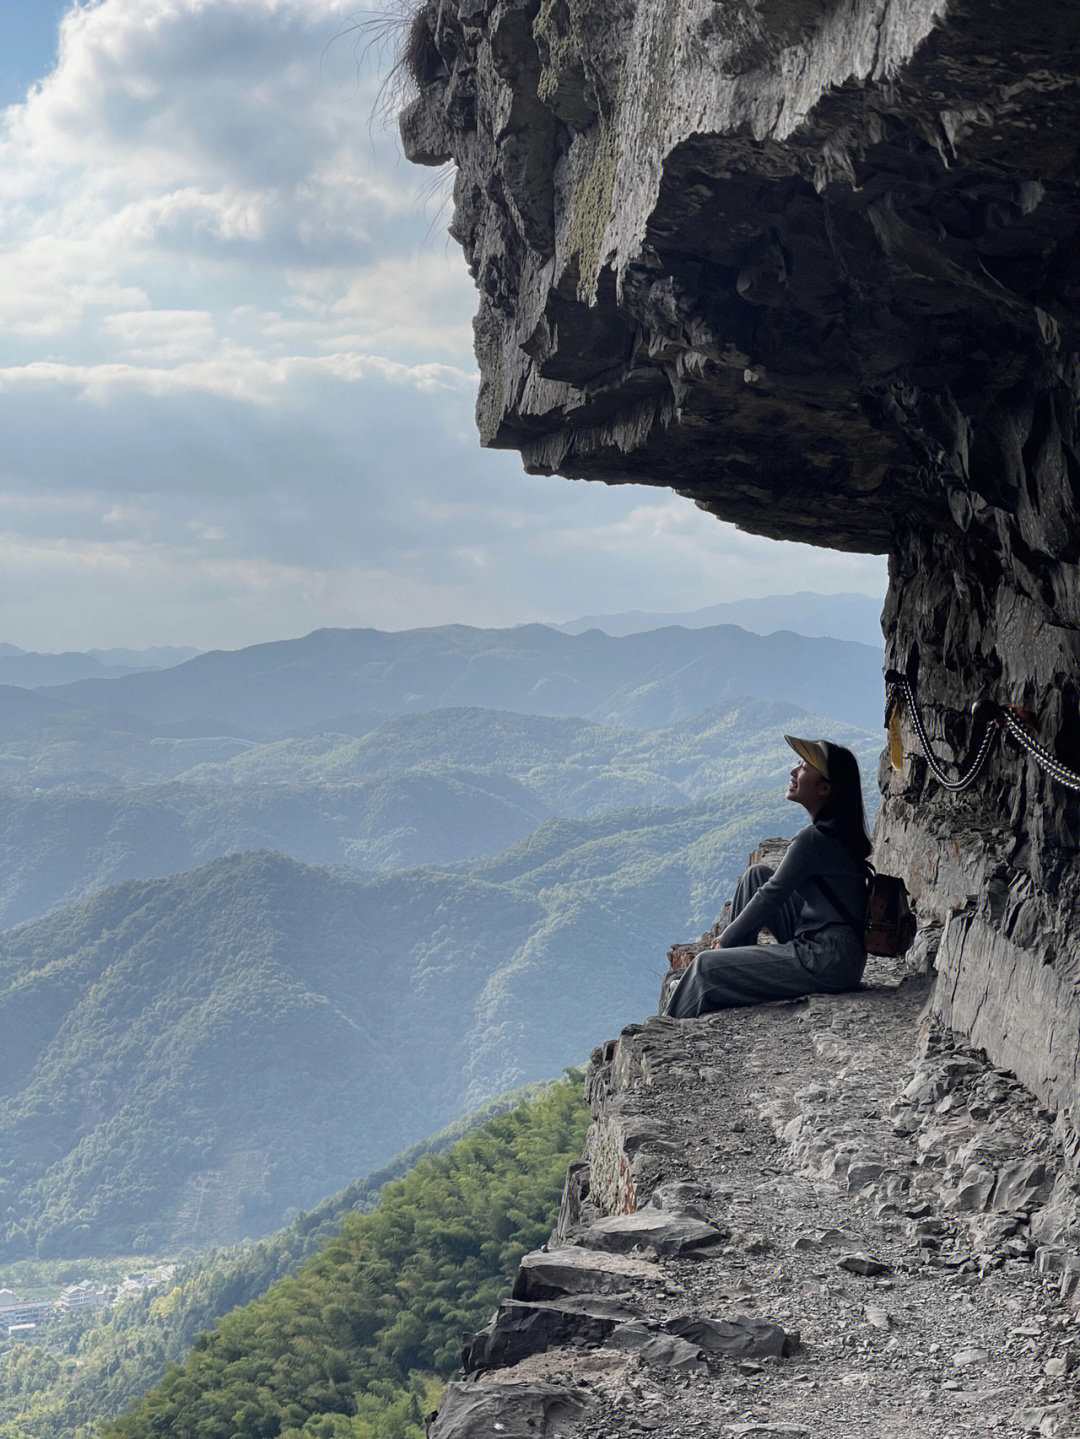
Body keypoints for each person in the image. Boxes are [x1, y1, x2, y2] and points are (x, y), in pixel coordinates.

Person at [665, 735, 870, 1018]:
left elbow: (773, 895)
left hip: (825, 960)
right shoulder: (838, 832)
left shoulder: (814, 839)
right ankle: (734, 969)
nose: (793, 771)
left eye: (804, 767)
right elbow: (768, 887)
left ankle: (675, 1017)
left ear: (824, 788)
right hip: (840, 953)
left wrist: (725, 939)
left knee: (704, 968)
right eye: (798, 763)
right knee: (757, 876)